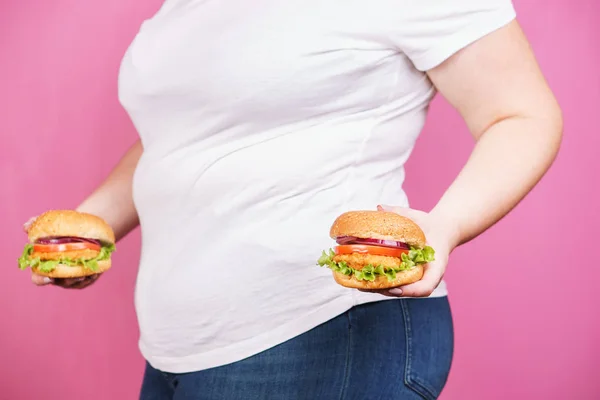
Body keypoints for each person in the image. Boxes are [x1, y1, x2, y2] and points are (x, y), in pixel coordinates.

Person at [28, 0, 563, 399]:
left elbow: (520, 114)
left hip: (321, 328)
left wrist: (444, 226)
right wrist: (92, 221)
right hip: (174, 341)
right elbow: (183, 136)